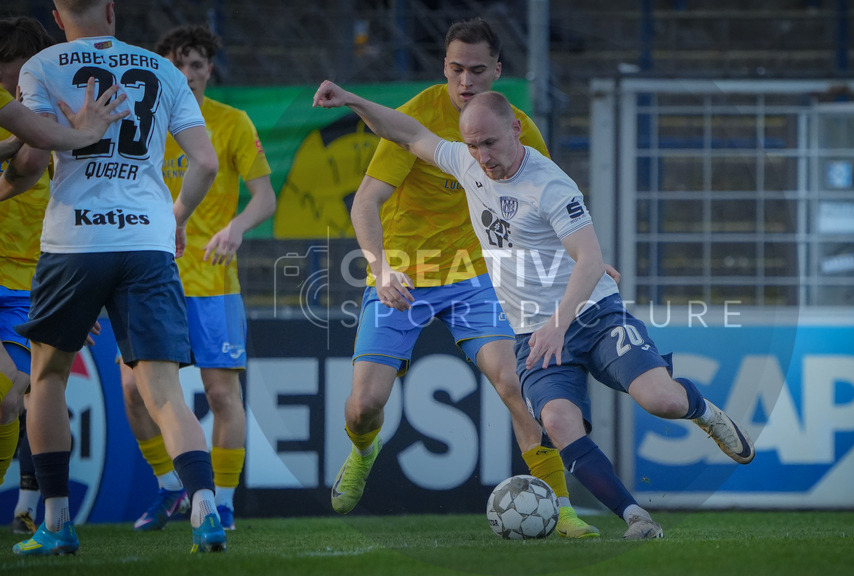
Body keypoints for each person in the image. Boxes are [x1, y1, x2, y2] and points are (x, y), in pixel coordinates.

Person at [311, 85, 756, 539]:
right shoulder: (468, 163)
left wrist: (558, 324)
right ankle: (636, 517)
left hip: (593, 314)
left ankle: (704, 412)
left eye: (490, 143)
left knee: (662, 401)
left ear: (516, 130)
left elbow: (590, 259)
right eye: (472, 145)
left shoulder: (550, 184)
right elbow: (408, 132)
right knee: (558, 423)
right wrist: (352, 100)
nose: (482, 156)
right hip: (534, 332)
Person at [328, 18, 600, 538]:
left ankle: (561, 507)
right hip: (402, 276)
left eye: (477, 70)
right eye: (456, 69)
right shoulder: (417, 115)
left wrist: (586, 258)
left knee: (517, 384)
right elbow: (365, 203)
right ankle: (364, 449)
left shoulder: (516, 126)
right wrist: (380, 269)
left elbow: (550, 204)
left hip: (476, 276)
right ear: (444, 68)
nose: (465, 81)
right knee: (363, 407)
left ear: (497, 70)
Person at [10, 0, 226, 555]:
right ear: (111, 9)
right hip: (147, 242)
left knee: (47, 379)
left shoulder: (42, 66)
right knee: (164, 392)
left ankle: (55, 522)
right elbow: (205, 162)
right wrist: (177, 217)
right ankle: (205, 509)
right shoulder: (163, 69)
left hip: (74, 242)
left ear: (57, 17)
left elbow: (32, 161)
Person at [120, 24, 276, 532]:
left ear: (209, 69)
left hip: (212, 282)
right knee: (133, 391)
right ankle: (171, 489)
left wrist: (237, 226)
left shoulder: (231, 122)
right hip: (148, 277)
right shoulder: (140, 121)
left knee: (222, 395)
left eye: (196, 65)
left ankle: (223, 503)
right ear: (162, 69)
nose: (187, 75)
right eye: (177, 64)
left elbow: (265, 197)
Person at [0, 16, 57, 537]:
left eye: (14, 69)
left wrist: (73, 290)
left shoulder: (54, 116)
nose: (8, 80)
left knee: (16, 400)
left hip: (30, 285)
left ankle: (29, 506)